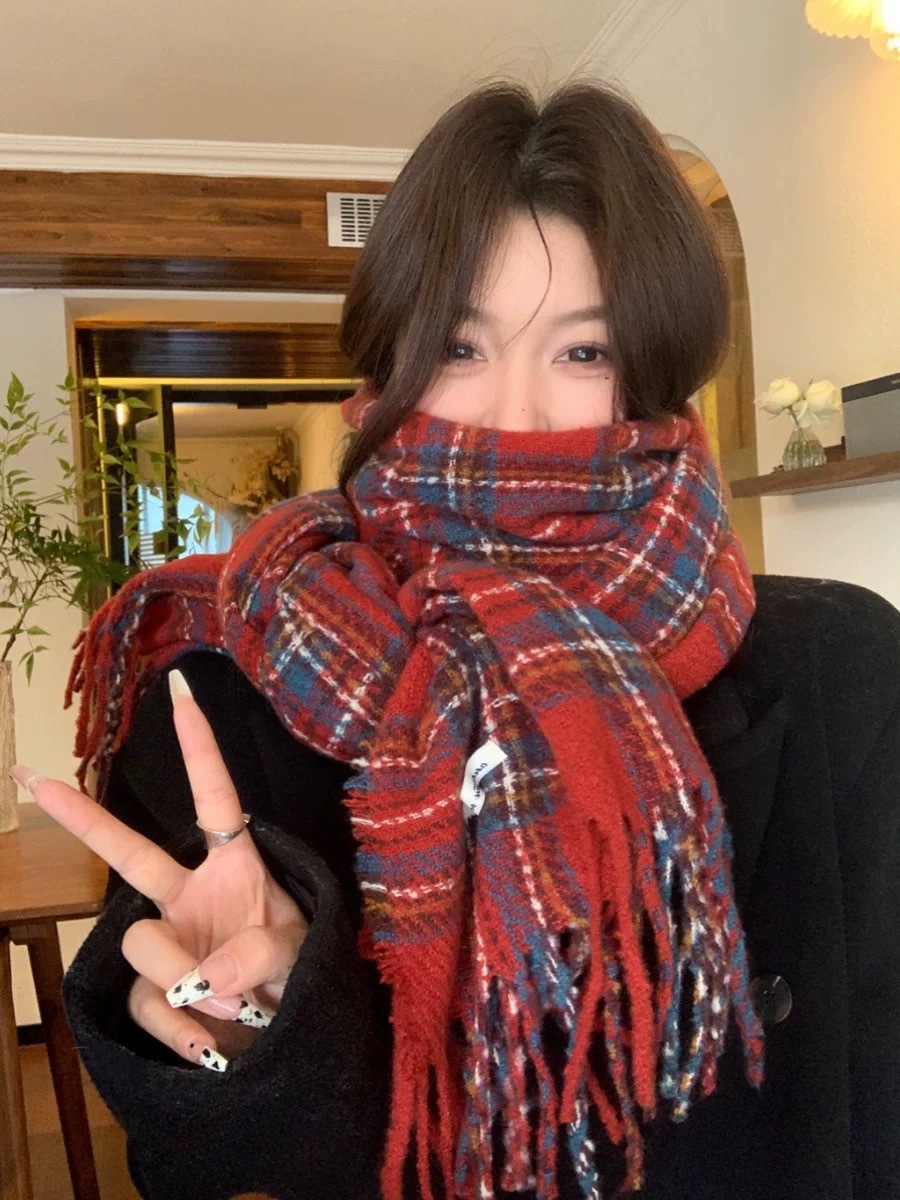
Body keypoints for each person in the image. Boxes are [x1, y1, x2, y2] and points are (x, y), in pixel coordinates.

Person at [11, 80, 900, 1200]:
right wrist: (260, 1028)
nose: (512, 415)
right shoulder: (225, 687)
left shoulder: (840, 665)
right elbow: (191, 1162)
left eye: (585, 351)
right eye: (461, 346)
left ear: (656, 376)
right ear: (386, 367)